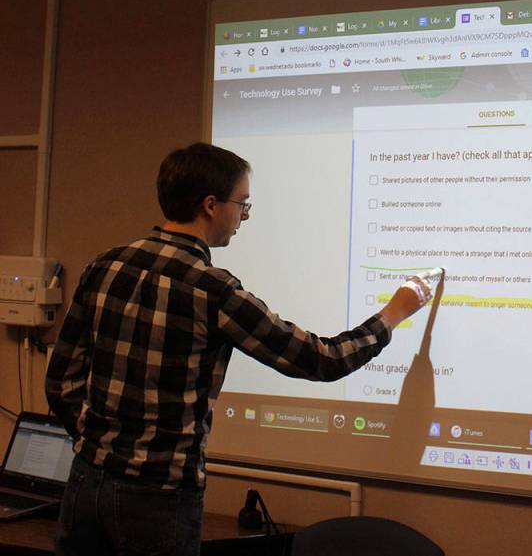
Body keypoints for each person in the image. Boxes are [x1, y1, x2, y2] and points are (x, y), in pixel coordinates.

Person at [45, 142, 433, 556]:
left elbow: (61, 382)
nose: (244, 216)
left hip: (85, 483)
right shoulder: (211, 289)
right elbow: (321, 360)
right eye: (242, 204)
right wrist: (394, 312)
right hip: (158, 499)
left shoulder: (105, 265)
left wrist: (99, 445)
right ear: (211, 205)